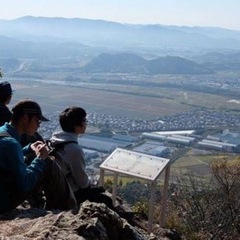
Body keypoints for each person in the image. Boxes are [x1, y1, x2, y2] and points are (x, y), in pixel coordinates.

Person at [0, 99, 76, 214]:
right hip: (3, 202)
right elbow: (25, 184)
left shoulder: (3, 132)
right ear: (25, 118)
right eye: (37, 121)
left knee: (32, 158)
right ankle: (67, 210)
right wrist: (40, 158)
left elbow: (9, 159)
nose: (38, 126)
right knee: (47, 163)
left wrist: (29, 148)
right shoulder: (11, 144)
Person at [50, 106, 114, 209]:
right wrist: (92, 183)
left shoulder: (55, 140)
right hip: (68, 193)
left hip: (55, 189)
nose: (86, 123)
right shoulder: (74, 149)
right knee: (106, 200)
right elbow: (82, 183)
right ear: (76, 125)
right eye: (84, 120)